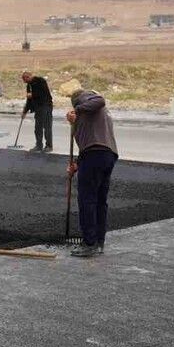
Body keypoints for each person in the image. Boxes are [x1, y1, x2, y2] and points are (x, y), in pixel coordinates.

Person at [66, 86, 118, 258]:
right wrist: (76, 164)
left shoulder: (88, 100)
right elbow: (86, 144)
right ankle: (99, 241)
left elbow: (100, 99)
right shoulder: (93, 115)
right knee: (100, 201)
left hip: (95, 155)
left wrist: (77, 110)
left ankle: (89, 243)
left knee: (87, 199)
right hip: (107, 156)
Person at [21, 71, 53, 152]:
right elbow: (29, 100)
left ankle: (49, 146)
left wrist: (32, 95)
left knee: (47, 126)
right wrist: (25, 111)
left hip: (46, 105)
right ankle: (39, 145)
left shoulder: (40, 81)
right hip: (38, 108)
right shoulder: (29, 85)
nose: (25, 82)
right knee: (38, 128)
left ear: (28, 77)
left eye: (25, 80)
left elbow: (43, 94)